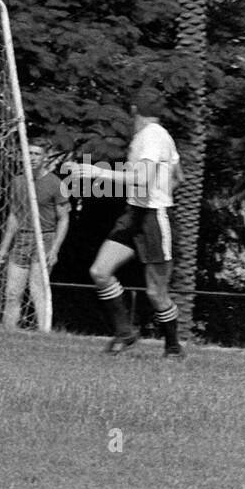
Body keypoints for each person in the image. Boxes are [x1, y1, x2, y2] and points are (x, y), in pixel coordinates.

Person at [66, 89, 183, 357]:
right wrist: (160, 189)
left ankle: (174, 347)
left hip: (155, 218)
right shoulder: (154, 136)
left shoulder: (153, 137)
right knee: (100, 272)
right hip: (135, 214)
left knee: (156, 293)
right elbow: (179, 176)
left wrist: (97, 172)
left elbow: (142, 179)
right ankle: (125, 331)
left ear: (133, 110)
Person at [0, 137, 70, 330]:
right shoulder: (18, 182)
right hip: (22, 239)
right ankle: (8, 332)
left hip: (45, 238)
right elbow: (14, 216)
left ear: (45, 157)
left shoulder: (56, 183)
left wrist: (55, 249)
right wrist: (4, 248)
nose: (32, 157)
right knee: (12, 292)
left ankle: (44, 332)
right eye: (29, 153)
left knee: (38, 289)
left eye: (36, 154)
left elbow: (64, 219)